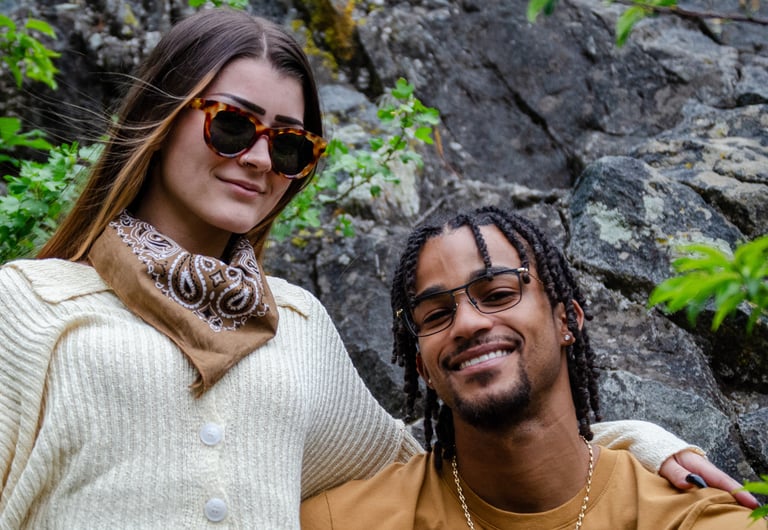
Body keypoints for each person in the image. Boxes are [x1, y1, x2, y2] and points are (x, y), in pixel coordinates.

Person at [0, 8, 753, 529]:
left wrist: (636, 445)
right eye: (232, 125)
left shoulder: (292, 325)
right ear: (161, 123)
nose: (260, 159)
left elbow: (440, 456)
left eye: (291, 145)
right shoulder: (31, 305)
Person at [301, 206, 757, 529]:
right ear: (422, 366)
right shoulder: (340, 522)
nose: (468, 323)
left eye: (498, 294)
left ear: (567, 320)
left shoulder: (691, 519)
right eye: (437, 315)